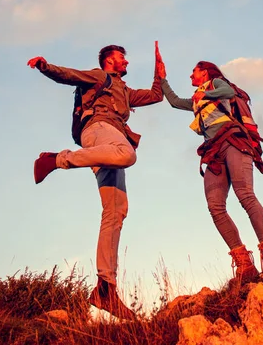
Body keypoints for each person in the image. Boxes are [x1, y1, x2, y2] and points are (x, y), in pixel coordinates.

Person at [27, 44, 163, 319]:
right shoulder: (100, 77)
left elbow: (155, 96)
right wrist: (45, 66)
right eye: (122, 57)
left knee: (116, 211)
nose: (126, 61)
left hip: (108, 142)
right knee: (127, 154)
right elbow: (67, 75)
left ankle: (105, 289)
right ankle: (57, 160)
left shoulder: (124, 91)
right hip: (99, 132)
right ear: (109, 61)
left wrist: (159, 73)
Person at [155, 46, 263, 284]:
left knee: (245, 195)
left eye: (194, 71)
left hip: (232, 140)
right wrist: (162, 78)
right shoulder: (196, 99)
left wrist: (205, 94)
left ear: (205, 72)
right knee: (215, 206)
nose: (191, 75)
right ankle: (244, 263)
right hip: (212, 149)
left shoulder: (217, 84)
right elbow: (173, 101)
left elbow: (227, 91)